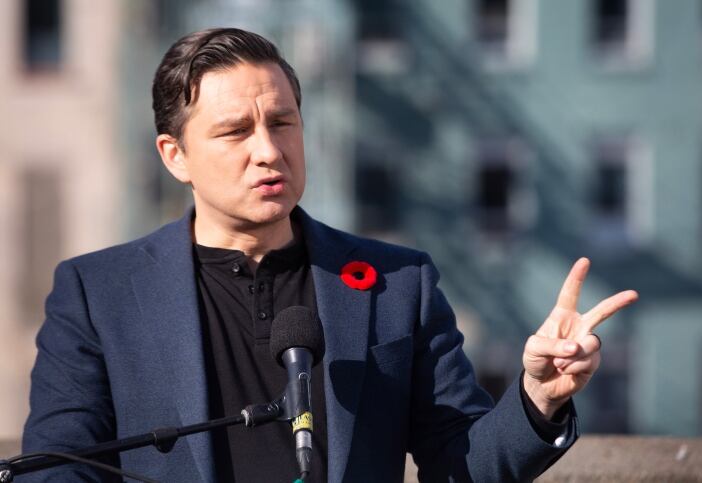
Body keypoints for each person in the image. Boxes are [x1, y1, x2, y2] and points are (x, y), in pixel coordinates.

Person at [21, 28, 638, 482]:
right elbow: (57, 470)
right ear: (174, 155)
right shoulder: (97, 293)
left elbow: (461, 463)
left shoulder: (398, 284)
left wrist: (538, 396)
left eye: (282, 123)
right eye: (236, 131)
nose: (268, 151)